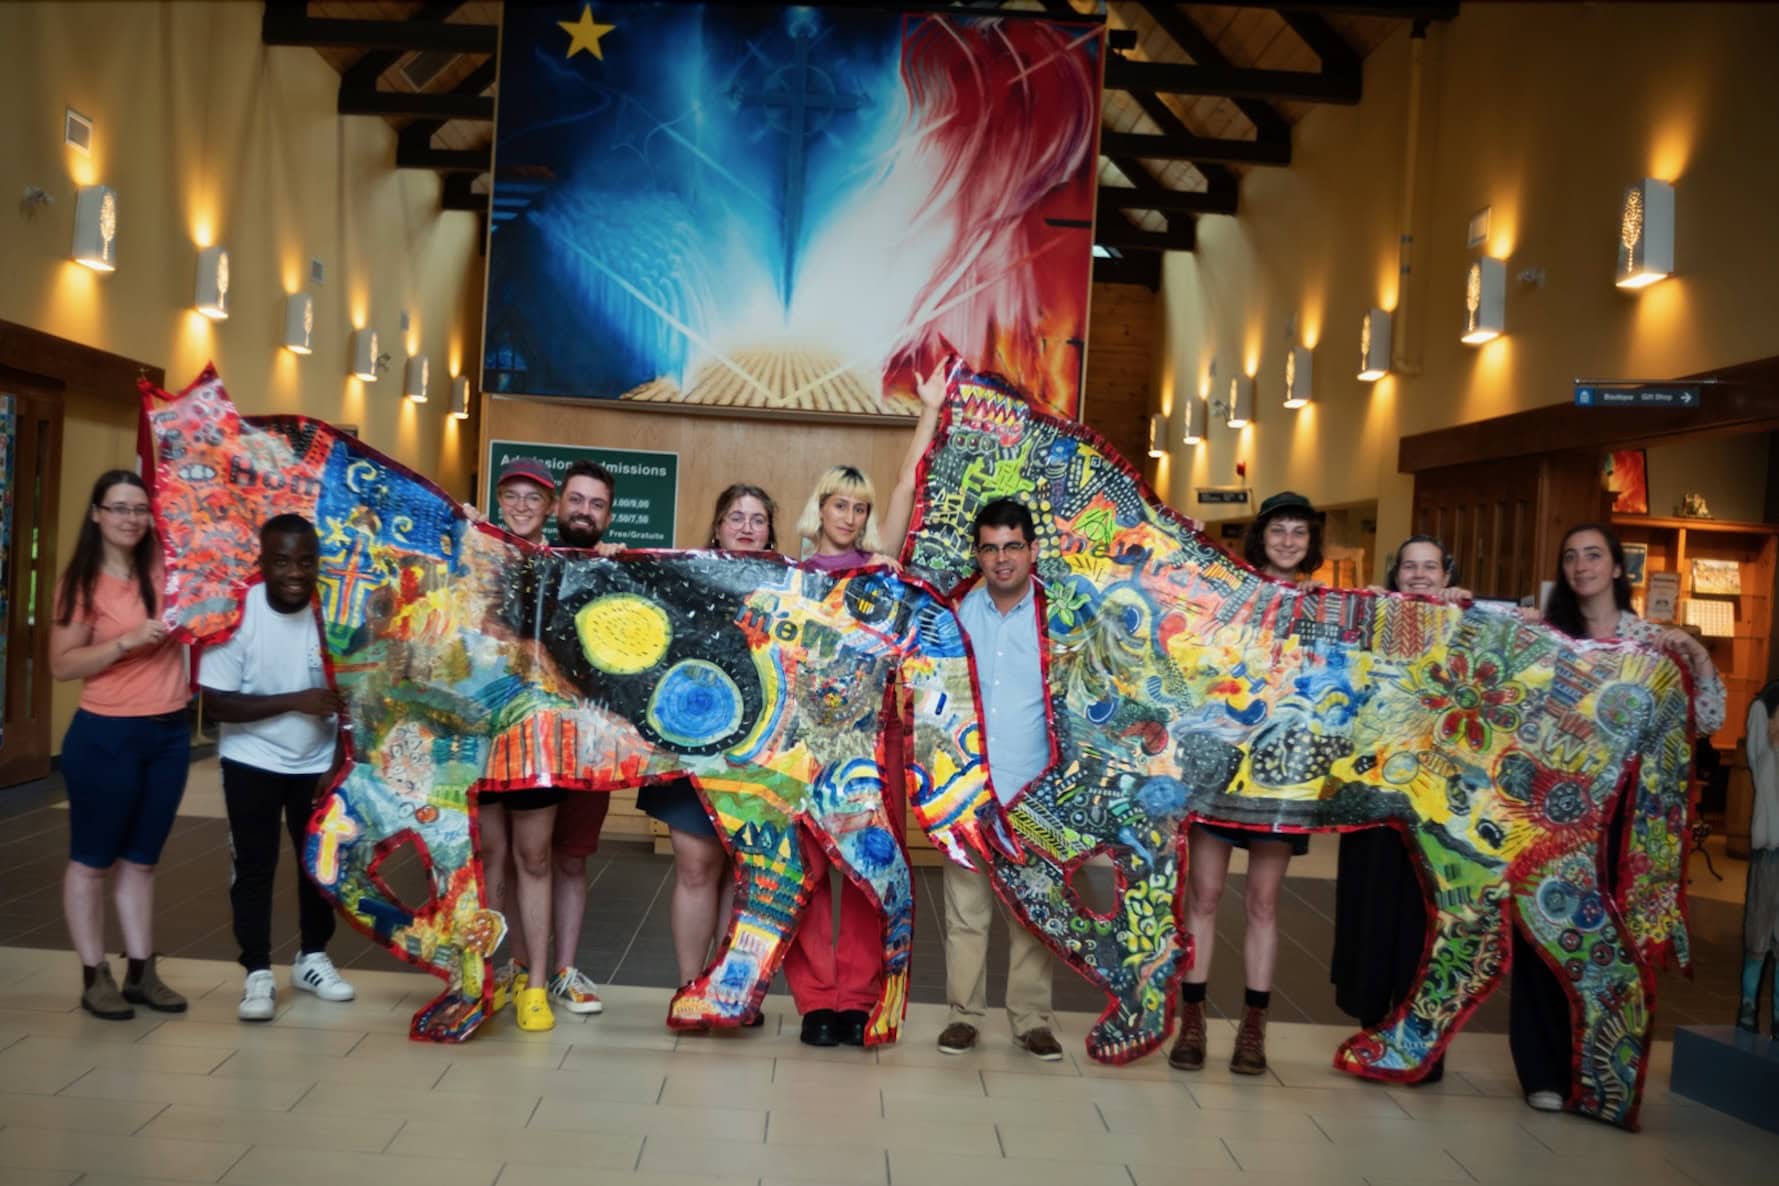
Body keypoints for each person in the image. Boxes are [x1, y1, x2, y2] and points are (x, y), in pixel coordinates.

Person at [1510, 522, 1725, 1110]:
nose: (1582, 566)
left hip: (1624, 822)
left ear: (1616, 568)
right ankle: (1543, 1073)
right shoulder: (1547, 635)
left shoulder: (1651, 641)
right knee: (1540, 935)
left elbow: (1707, 719)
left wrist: (1699, 656)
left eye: (1594, 556)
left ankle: (1601, 1074)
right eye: (1571, 556)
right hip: (1549, 816)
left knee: (1609, 944)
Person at [783, 364, 947, 1047]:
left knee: (872, 873)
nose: (847, 517)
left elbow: (909, 482)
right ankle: (816, 1000)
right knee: (812, 871)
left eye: (858, 507)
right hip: (801, 746)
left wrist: (930, 412)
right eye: (837, 504)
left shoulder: (882, 575)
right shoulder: (786, 580)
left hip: (875, 744)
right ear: (818, 508)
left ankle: (858, 997)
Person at [1171, 490, 1322, 1074]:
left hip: (1283, 773)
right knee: (1204, 897)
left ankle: (1254, 1031)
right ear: (1262, 536)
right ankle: (1192, 1021)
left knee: (1263, 902)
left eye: (1299, 532)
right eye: (1279, 529)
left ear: (1311, 544)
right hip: (1220, 765)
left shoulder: (1323, 606)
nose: (1288, 540)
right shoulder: (1231, 594)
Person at [198, 514, 355, 1021]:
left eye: (306, 561)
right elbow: (217, 704)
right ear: (262, 562)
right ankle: (258, 973)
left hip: (317, 764)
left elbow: (353, 698)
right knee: (255, 866)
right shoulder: (236, 617)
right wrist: (295, 701)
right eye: (282, 561)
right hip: (252, 760)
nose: (295, 572)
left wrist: (336, 765)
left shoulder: (332, 615)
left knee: (318, 867)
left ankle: (313, 959)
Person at [49, 470, 191, 1020]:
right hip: (106, 735)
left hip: (170, 732)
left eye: (140, 509)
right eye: (119, 508)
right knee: (92, 861)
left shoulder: (164, 571)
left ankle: (141, 972)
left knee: (142, 861)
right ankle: (94, 975)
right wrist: (125, 642)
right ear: (97, 515)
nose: (131, 518)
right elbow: (63, 665)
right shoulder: (82, 584)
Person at [1329, 535, 1470, 1080]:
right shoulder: (1374, 618)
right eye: (1408, 566)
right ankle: (1372, 1021)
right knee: (1371, 907)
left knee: (1427, 914)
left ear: (1446, 573)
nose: (1418, 575)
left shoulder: (1466, 622)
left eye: (1429, 566)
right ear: (1395, 575)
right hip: (1374, 790)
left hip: (1440, 802)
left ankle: (1422, 1034)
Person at [934, 499, 1062, 1061]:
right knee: (966, 911)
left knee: (1033, 911)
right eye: (990, 547)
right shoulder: (957, 612)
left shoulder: (1058, 615)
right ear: (978, 554)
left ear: (1032, 550)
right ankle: (964, 1016)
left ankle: (1032, 1020)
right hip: (967, 788)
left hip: (1037, 790)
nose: (1002, 558)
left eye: (1013, 546)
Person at [640, 485, 778, 1004]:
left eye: (757, 519)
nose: (746, 527)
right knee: (697, 867)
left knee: (742, 873)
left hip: (759, 752)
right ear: (717, 526)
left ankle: (727, 993)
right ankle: (688, 986)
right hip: (689, 743)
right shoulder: (682, 579)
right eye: (735, 517)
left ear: (770, 532)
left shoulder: (786, 589)